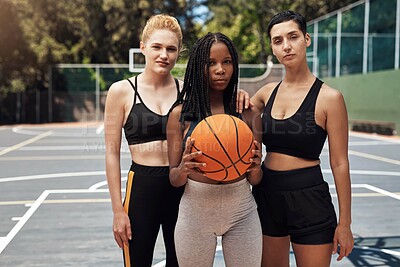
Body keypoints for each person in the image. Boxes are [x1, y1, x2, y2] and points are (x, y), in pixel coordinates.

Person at [104, 15, 252, 267]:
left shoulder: (190, 91)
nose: (164, 54)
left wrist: (239, 94)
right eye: (157, 47)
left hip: (183, 189)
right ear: (142, 47)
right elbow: (111, 153)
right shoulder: (121, 91)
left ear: (179, 53)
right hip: (142, 187)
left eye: (171, 49)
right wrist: (118, 211)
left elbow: (221, 100)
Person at [249, 10, 354, 267]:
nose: (286, 46)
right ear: (273, 48)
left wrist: (345, 224)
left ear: (306, 39)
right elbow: (231, 123)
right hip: (267, 193)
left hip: (309, 198)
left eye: (292, 37)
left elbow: (340, 163)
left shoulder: (330, 98)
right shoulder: (265, 93)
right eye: (277, 41)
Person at [167, 32, 263, 267]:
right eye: (211, 63)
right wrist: (183, 169)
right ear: (199, 67)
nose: (220, 69)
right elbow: (173, 179)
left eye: (227, 61)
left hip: (241, 211)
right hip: (195, 212)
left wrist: (256, 166)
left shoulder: (247, 113)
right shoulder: (180, 116)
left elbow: (255, 179)